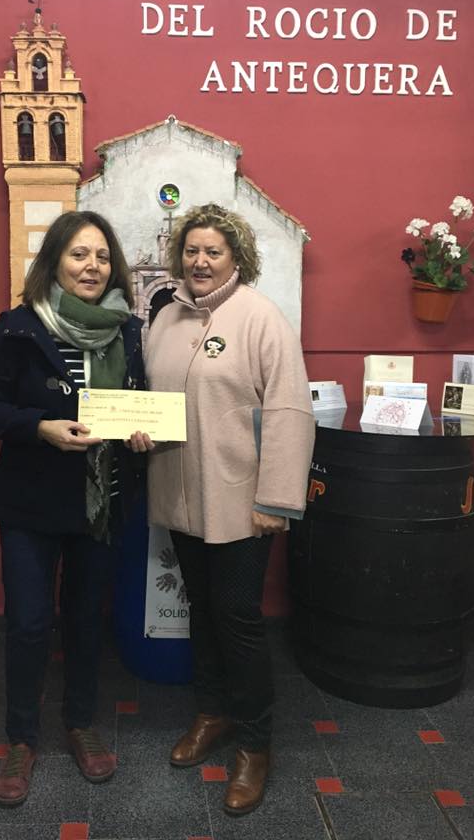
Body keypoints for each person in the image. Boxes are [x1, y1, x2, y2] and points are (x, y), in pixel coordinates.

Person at [130, 203, 314, 816]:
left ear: (236, 256)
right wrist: (138, 431)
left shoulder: (261, 318)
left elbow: (290, 412)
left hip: (241, 500)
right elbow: (152, 399)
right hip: (179, 493)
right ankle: (213, 713)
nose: (200, 261)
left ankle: (255, 744)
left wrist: (275, 500)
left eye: (213, 251)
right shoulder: (164, 318)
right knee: (202, 612)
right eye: (192, 250)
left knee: (237, 616)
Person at [0, 211, 145, 806]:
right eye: (78, 254)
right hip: (30, 502)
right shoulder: (21, 326)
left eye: (102, 256)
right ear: (55, 262)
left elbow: (139, 401)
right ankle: (22, 737)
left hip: (101, 502)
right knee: (28, 622)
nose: (91, 266)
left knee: (85, 618)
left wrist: (142, 432)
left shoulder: (128, 330)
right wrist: (39, 426)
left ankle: (80, 722)